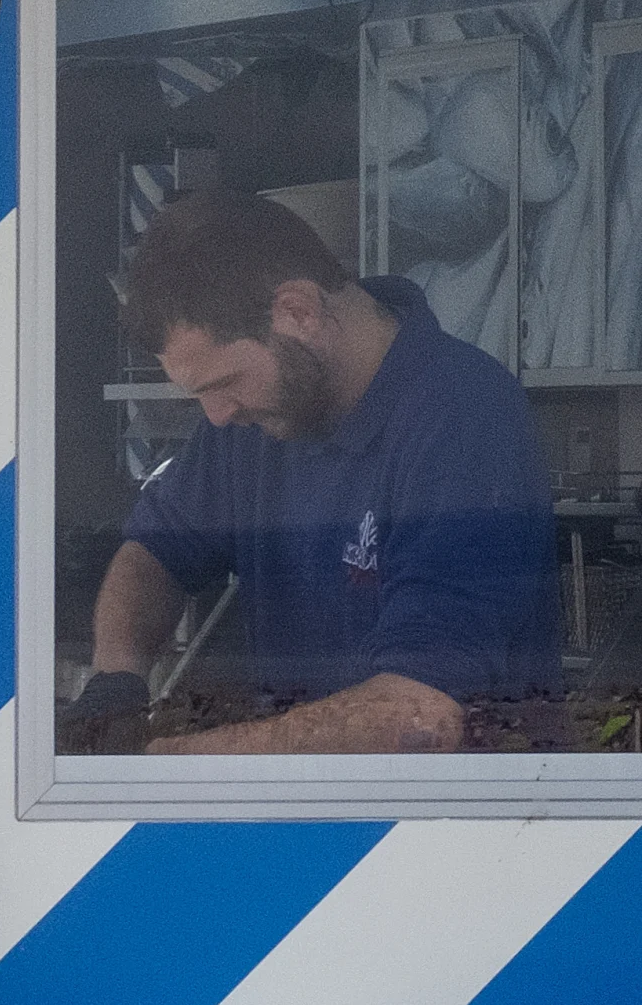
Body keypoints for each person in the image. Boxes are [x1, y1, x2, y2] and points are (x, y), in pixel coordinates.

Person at [70, 188, 554, 756]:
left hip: (456, 831)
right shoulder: (254, 418)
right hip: (302, 813)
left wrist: (171, 765)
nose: (217, 415)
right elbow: (156, 551)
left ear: (298, 311)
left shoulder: (465, 418)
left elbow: (418, 716)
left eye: (223, 385)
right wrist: (117, 678)